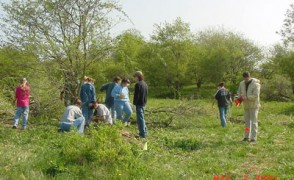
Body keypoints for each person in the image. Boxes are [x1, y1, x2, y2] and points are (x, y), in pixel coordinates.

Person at [237, 72, 261, 143]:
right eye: (244, 78)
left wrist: (246, 97)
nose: (246, 79)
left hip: (254, 106)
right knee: (247, 122)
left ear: (249, 76)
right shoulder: (241, 83)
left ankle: (253, 138)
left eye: (247, 77)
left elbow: (256, 96)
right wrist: (239, 97)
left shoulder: (256, 84)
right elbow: (239, 91)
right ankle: (246, 136)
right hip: (246, 106)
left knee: (253, 122)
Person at [133, 71, 148, 138]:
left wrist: (134, 104)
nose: (135, 78)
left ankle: (142, 134)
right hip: (144, 103)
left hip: (138, 103)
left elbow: (137, 96)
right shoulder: (145, 84)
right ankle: (145, 132)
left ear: (138, 76)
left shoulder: (138, 84)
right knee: (142, 118)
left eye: (135, 77)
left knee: (140, 119)